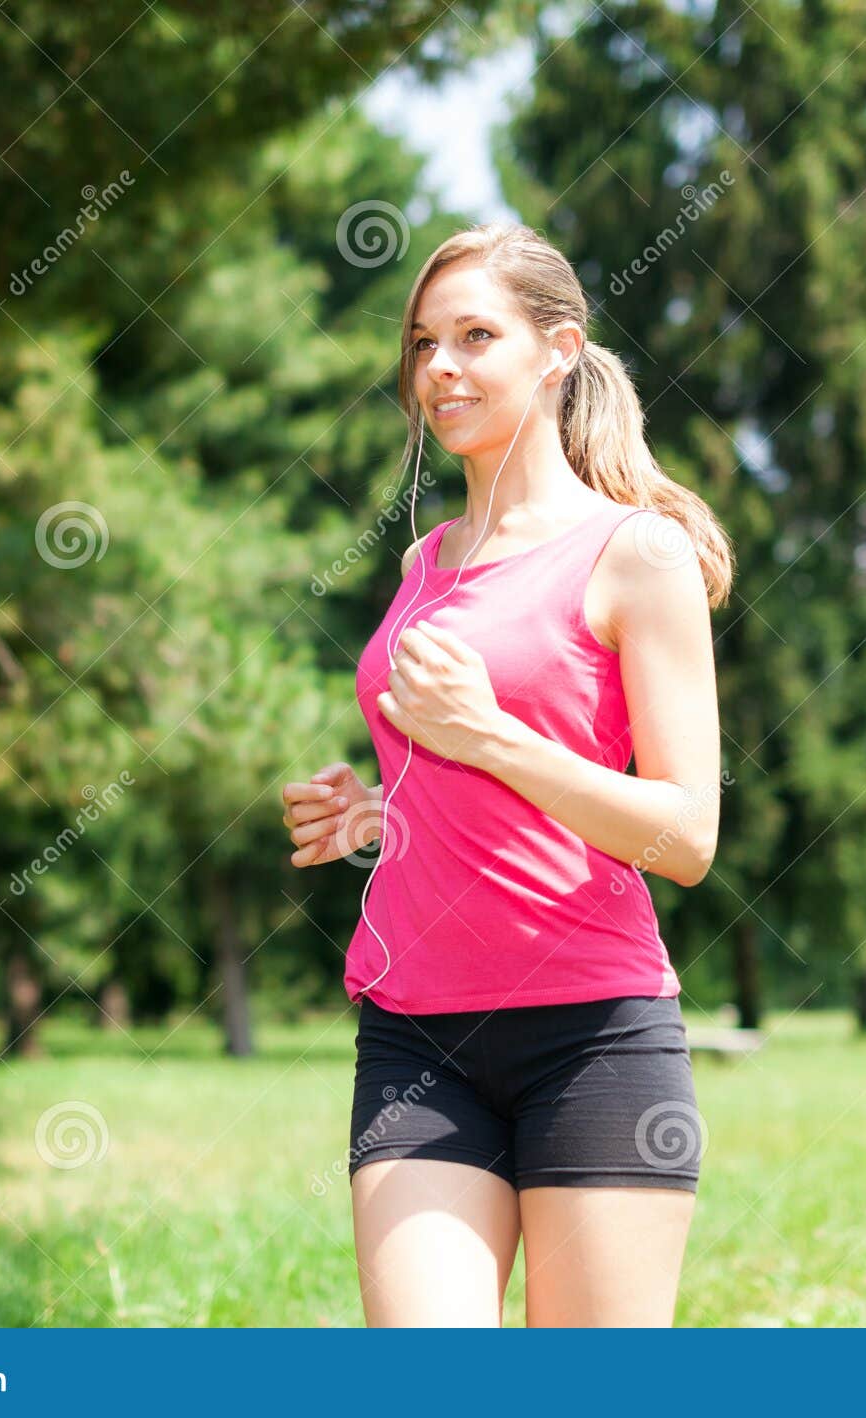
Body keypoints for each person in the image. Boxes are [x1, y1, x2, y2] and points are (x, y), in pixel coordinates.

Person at [281, 221, 733, 1327]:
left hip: (592, 1031)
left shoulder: (636, 553)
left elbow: (684, 835)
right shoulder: (421, 562)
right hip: (416, 1030)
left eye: (476, 336)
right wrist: (380, 815)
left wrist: (486, 737)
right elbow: (479, 789)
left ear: (557, 349)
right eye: (424, 342)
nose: (439, 367)